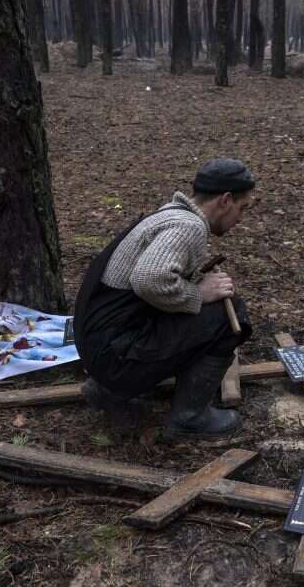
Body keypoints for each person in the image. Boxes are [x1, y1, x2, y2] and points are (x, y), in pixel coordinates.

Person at [73, 158, 255, 441]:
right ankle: (190, 418)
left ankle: (108, 391)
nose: (241, 218)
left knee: (204, 307)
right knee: (230, 315)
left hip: (99, 346)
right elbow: (149, 280)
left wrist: (194, 281)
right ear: (225, 200)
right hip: (113, 356)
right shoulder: (189, 227)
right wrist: (199, 293)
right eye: (242, 208)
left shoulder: (169, 213)